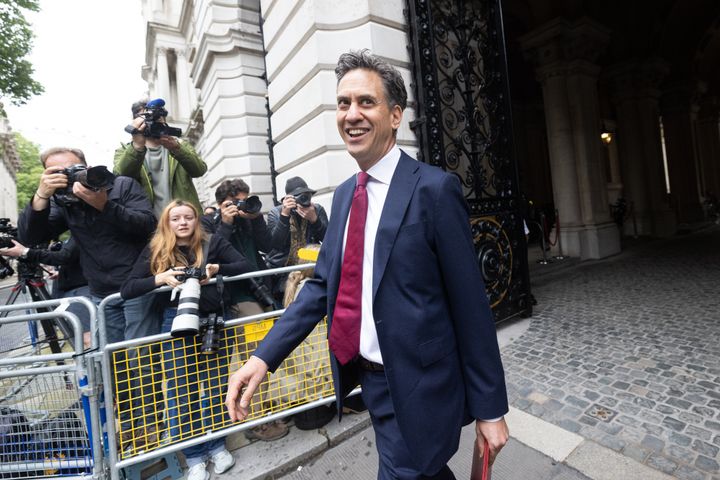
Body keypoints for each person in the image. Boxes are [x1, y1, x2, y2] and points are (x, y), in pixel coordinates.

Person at [226, 50, 509, 479]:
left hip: (421, 384)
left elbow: (470, 305)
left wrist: (490, 409)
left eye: (365, 102)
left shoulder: (434, 190)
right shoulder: (342, 196)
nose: (351, 114)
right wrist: (263, 357)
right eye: (343, 103)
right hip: (370, 382)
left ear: (395, 115)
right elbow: (323, 285)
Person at [17, 146, 159, 446]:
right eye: (56, 172)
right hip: (100, 293)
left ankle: (150, 427)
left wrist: (104, 205)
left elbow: (148, 226)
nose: (67, 176)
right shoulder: (61, 200)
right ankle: (132, 424)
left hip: (137, 285)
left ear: (87, 165)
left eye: (73, 168)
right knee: (112, 363)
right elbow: (31, 237)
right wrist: (40, 196)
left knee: (140, 360)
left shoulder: (121, 185)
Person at [121, 200, 251, 480]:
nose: (182, 223)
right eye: (175, 218)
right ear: (166, 223)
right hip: (175, 323)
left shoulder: (212, 242)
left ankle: (217, 446)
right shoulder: (157, 249)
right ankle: (194, 456)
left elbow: (243, 264)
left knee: (216, 385)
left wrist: (216, 269)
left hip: (215, 321)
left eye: (188, 217)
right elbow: (128, 288)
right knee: (181, 390)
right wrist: (160, 279)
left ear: (196, 220)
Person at [202, 179, 288, 441]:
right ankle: (256, 421)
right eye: (237, 201)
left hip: (261, 290)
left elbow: (269, 244)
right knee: (256, 356)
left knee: (264, 354)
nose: (242, 206)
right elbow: (209, 257)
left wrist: (256, 217)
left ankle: (259, 410)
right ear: (223, 203)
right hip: (239, 298)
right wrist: (226, 224)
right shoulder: (209, 223)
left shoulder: (248, 219)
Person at [114, 98, 207, 218]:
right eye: (147, 118)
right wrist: (137, 147)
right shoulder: (124, 151)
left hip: (183, 222)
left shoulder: (180, 145)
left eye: (156, 118)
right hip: (149, 226)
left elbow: (199, 170)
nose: (153, 123)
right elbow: (121, 176)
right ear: (136, 122)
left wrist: (177, 149)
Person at [0, 237, 92, 348]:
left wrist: (25, 252)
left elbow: (64, 257)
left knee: (87, 338)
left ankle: (97, 363)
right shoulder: (79, 231)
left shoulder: (81, 231)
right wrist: (62, 273)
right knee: (81, 335)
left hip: (79, 294)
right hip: (72, 291)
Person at [266, 177, 328, 301]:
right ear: (289, 199)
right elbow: (275, 245)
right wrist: (284, 216)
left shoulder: (316, 210)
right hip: (283, 272)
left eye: (306, 196)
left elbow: (329, 239)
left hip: (310, 268)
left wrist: (314, 220)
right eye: (299, 196)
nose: (303, 200)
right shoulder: (276, 213)